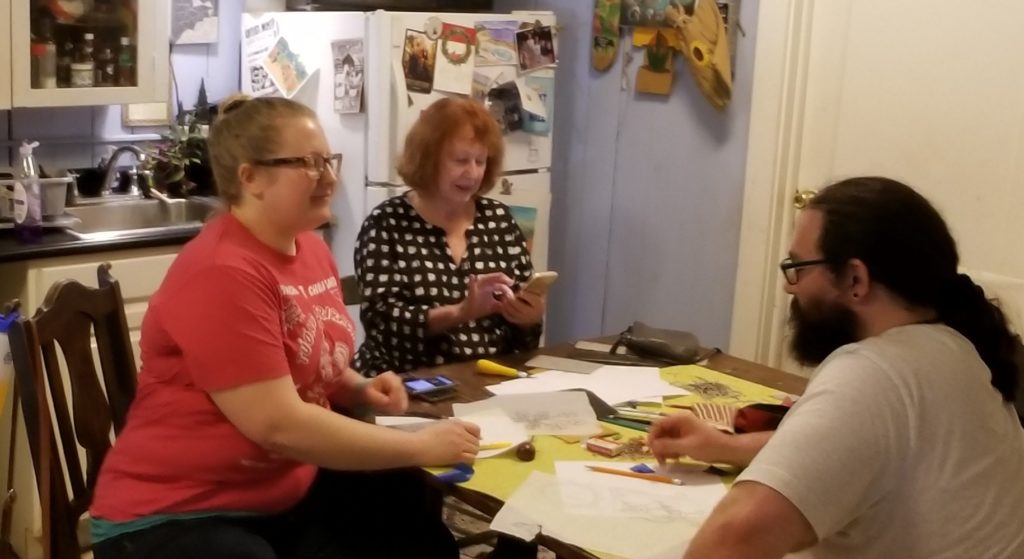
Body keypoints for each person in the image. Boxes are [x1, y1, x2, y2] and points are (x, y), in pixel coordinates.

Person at [89, 95, 481, 559]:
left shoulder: (309, 250)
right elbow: (278, 425)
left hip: (278, 490)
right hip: (175, 512)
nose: (331, 177)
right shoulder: (223, 270)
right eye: (308, 164)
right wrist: (415, 444)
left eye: (329, 161)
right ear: (250, 177)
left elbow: (307, 362)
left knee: (405, 502)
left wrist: (358, 388)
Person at [650, 177, 1024, 558]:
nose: (789, 288)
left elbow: (733, 538)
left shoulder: (875, 373)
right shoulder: (958, 349)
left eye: (797, 267)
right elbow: (854, 453)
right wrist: (727, 446)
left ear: (855, 279)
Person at [353, 96, 545, 377]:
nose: (473, 173)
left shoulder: (499, 219)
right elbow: (383, 329)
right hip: (405, 386)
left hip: (490, 379)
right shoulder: (387, 223)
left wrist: (528, 318)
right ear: (428, 159)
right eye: (460, 160)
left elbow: (522, 342)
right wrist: (460, 312)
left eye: (480, 161)